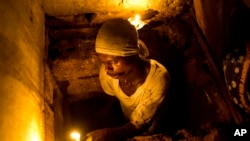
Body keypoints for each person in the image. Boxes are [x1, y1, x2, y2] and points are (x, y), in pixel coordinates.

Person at [83, 18, 170, 141]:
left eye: (113, 61)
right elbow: (113, 97)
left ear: (133, 55)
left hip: (152, 128)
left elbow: (140, 124)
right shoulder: (108, 74)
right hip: (126, 121)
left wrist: (109, 134)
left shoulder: (158, 79)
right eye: (103, 62)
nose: (107, 69)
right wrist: (104, 116)